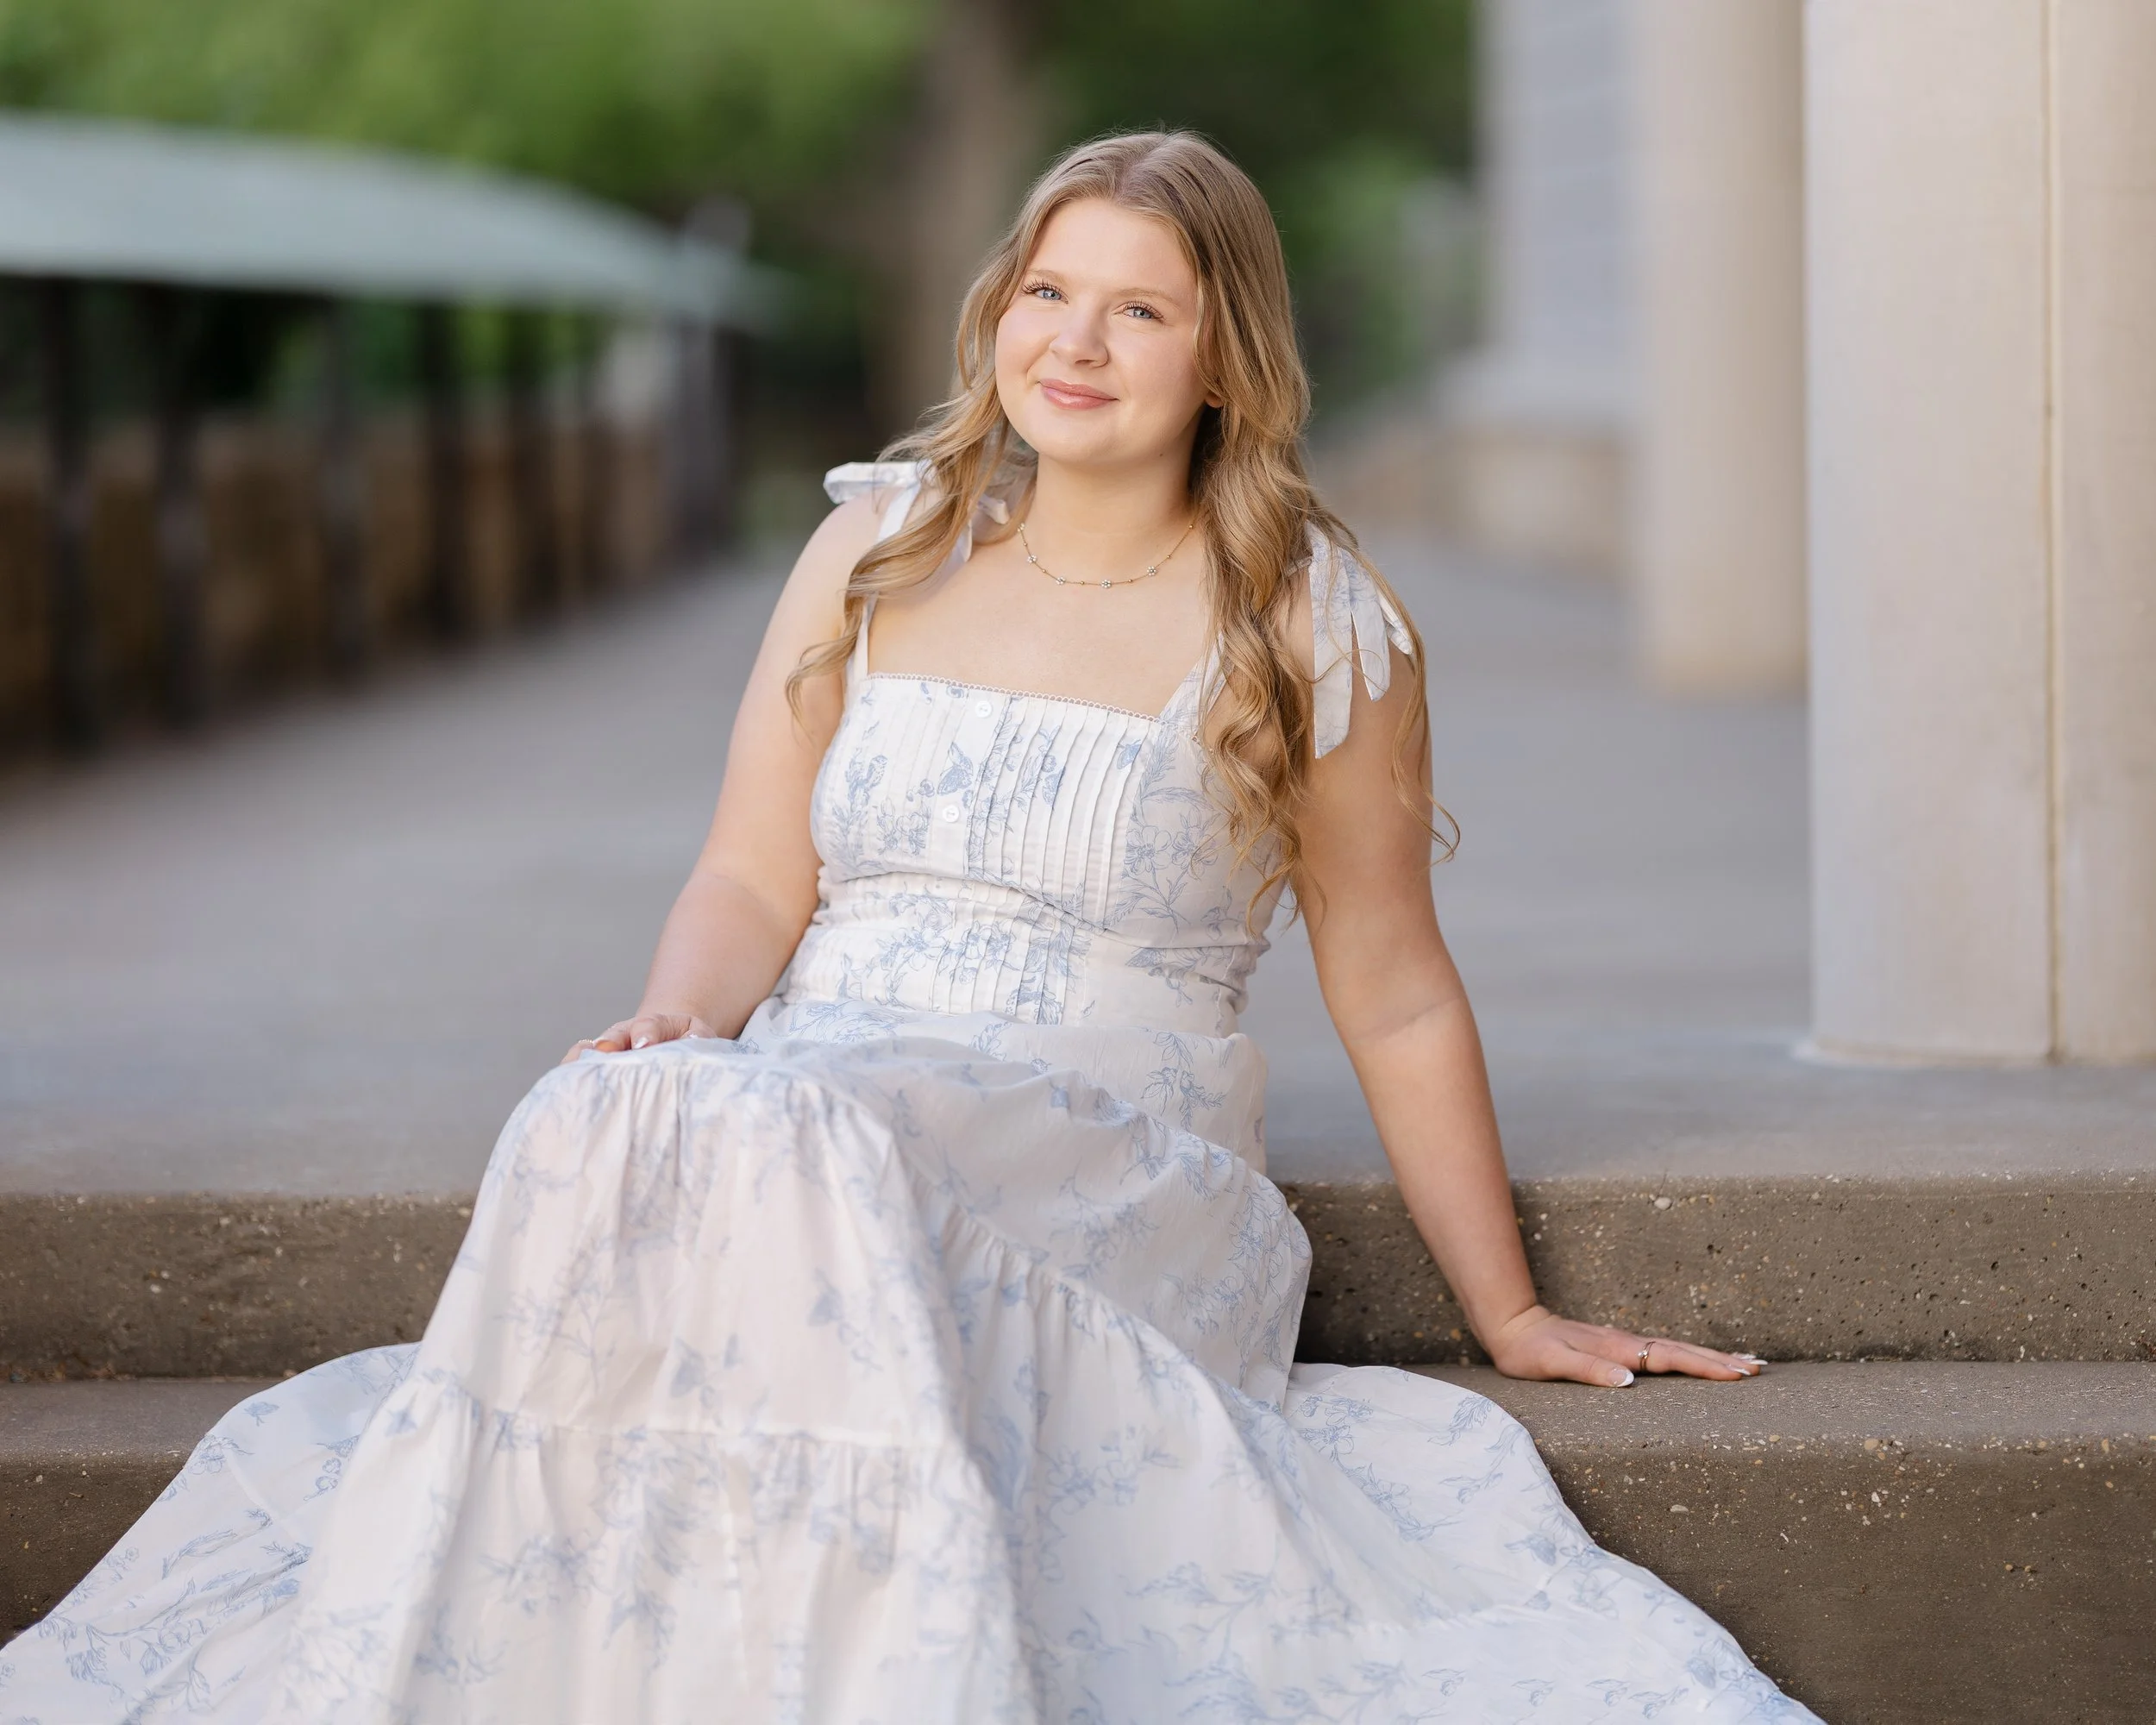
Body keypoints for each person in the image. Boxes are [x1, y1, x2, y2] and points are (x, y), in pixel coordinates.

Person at [2, 131, 1814, 1723]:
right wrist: (674, 1027)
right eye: (1048, 291)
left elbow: (1395, 990)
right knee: (602, 1114)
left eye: (1139, 310)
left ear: (1224, 359)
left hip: (1107, 1151)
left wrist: (1502, 1305)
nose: (1075, 344)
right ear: (995, 313)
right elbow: (747, 879)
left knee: (797, 1138)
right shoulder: (879, 541)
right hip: (814, 1089)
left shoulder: (1315, 624)